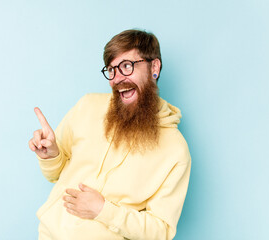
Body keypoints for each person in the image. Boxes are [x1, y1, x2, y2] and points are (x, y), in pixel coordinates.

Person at [29, 29, 191, 240]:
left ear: (154, 67)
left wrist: (103, 210)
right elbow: (54, 174)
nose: (117, 79)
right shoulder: (87, 106)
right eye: (111, 70)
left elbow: (161, 231)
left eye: (126, 66)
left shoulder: (176, 151)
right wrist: (50, 155)